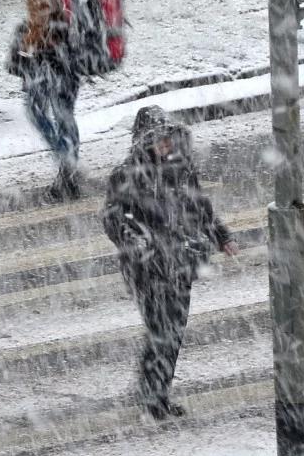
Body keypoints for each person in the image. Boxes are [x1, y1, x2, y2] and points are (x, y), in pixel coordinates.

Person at [102, 106, 238, 419]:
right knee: (160, 331)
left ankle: (156, 393)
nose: (166, 146)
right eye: (160, 141)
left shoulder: (181, 169)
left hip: (180, 262)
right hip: (147, 268)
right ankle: (152, 398)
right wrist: (138, 242)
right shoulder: (126, 175)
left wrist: (221, 235)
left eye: (169, 140)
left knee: (173, 332)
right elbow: (111, 217)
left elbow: (200, 205)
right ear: (144, 142)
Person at [8, 0, 108, 201]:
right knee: (64, 112)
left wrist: (25, 48)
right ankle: (69, 174)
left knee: (37, 110)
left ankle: (68, 165)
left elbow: (41, 18)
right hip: (74, 50)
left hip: (49, 52)